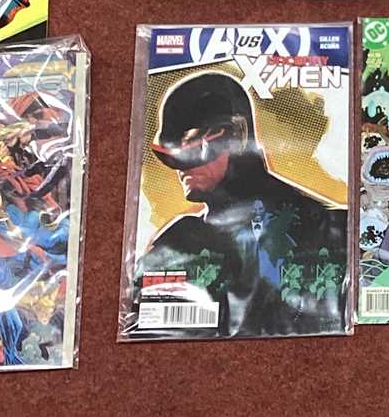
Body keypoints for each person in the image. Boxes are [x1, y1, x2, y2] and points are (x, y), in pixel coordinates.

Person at [141, 72, 343, 336]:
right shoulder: (177, 243)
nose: (181, 168)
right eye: (172, 155)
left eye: (192, 147)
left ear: (237, 136)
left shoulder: (330, 228)